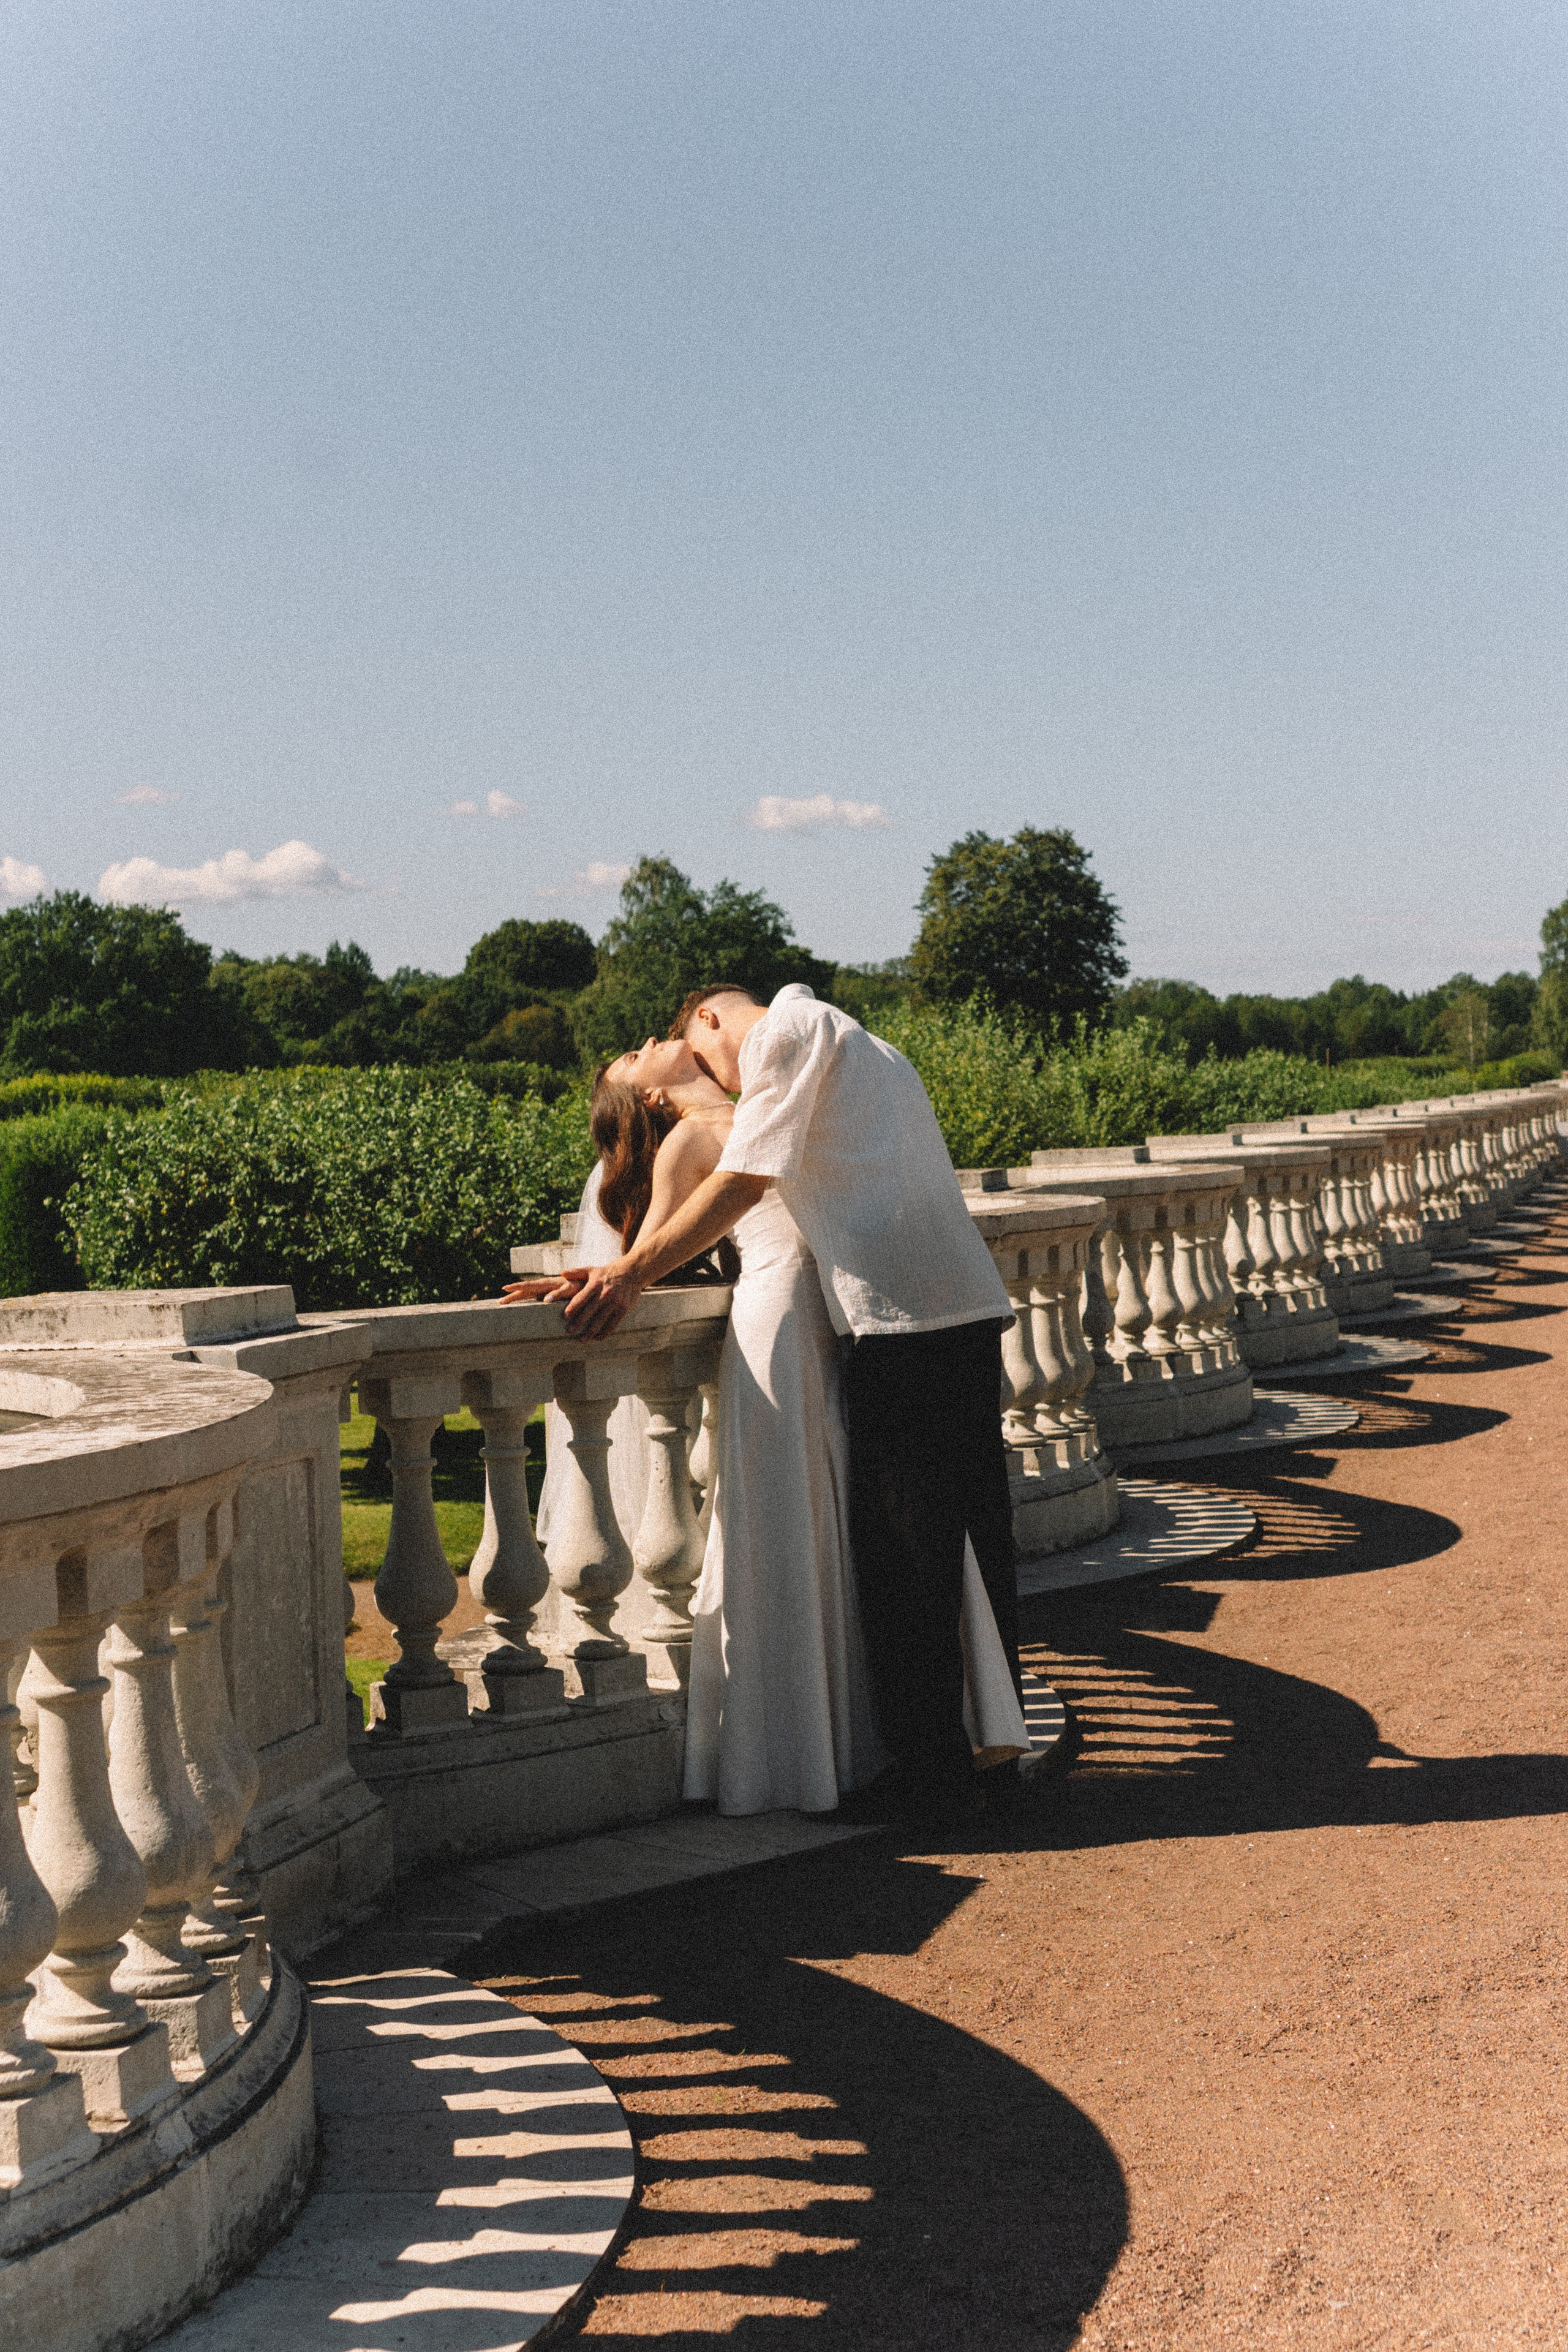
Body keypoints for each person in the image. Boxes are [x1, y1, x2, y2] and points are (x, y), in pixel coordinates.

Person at [507, 1027, 1027, 1818]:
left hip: (831, 1320)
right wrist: (608, 1276)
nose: (651, 1039)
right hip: (778, 1324)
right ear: (649, 1095)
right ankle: (797, 1755)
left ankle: (872, 1740)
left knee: (856, 1530)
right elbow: (642, 1260)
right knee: (791, 1522)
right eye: (635, 1055)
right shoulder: (687, 1140)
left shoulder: (767, 1102)